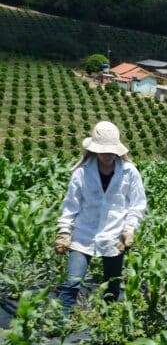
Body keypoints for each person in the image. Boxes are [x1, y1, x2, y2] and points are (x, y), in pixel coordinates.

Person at [55, 121, 147, 312]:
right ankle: (59, 325)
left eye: (111, 151)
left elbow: (137, 205)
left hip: (115, 236)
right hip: (84, 234)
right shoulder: (82, 172)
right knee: (71, 282)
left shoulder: (130, 172)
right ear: (95, 150)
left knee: (112, 285)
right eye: (103, 151)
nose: (107, 155)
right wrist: (64, 231)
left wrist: (129, 230)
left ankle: (109, 321)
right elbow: (71, 204)